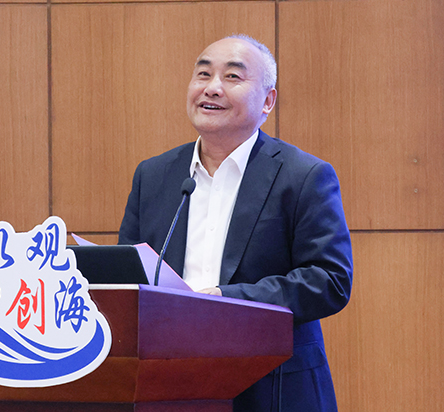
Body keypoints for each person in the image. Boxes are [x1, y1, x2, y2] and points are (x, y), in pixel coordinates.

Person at [118, 35, 353, 411]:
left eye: (232, 77)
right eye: (203, 74)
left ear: (268, 101)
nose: (211, 88)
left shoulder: (303, 176)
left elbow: (329, 280)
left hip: (272, 388)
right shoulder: (154, 175)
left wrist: (225, 300)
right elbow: (127, 276)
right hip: (168, 384)